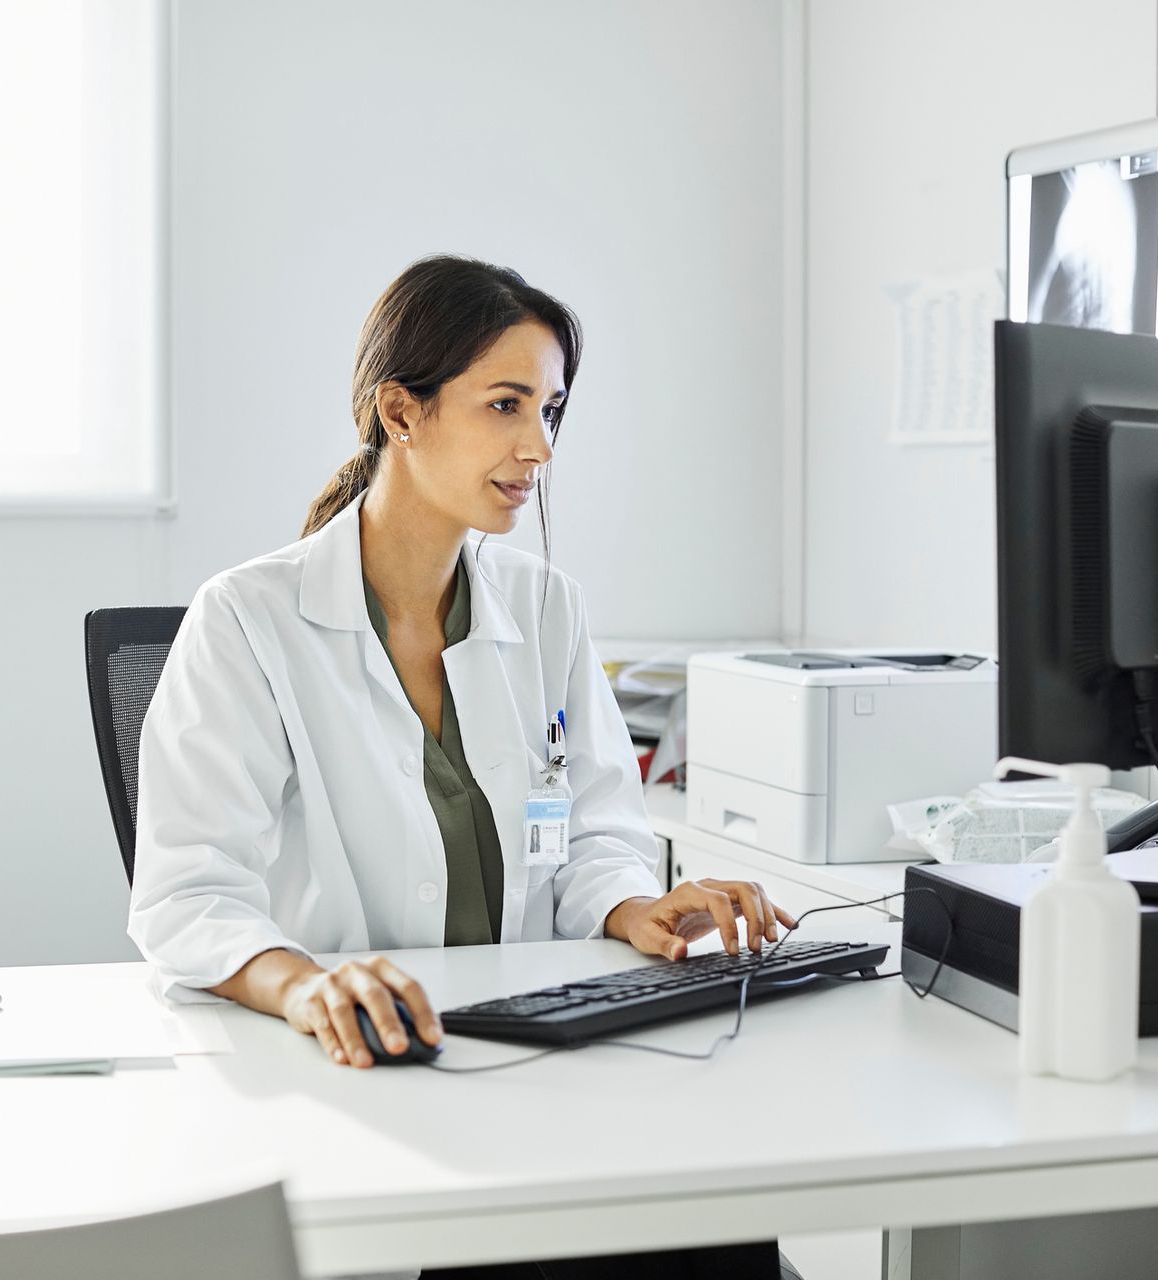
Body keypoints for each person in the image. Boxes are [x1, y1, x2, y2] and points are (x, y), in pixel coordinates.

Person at [128, 255, 798, 1279]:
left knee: (713, 1224)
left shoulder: (545, 606)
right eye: (504, 405)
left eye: (552, 409)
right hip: (356, 1073)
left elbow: (595, 825)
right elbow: (187, 894)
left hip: (528, 1057)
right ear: (401, 411)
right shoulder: (248, 620)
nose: (538, 446)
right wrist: (304, 985)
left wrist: (631, 906)